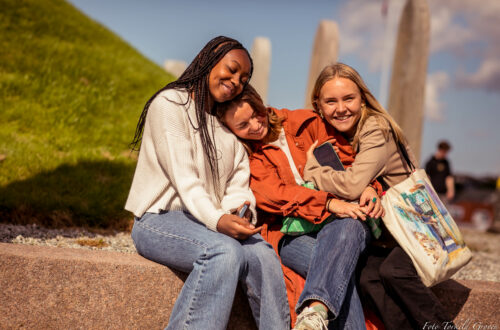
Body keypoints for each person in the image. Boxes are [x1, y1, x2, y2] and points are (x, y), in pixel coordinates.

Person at [125, 36, 290, 330]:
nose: (236, 81)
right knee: (224, 252)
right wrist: (219, 220)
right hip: (158, 220)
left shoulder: (228, 130)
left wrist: (240, 212)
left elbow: (238, 188)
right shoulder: (170, 105)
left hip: (207, 223)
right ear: (211, 58)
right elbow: (185, 180)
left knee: (262, 255)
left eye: (244, 78)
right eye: (232, 69)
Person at [216, 84, 384, 330]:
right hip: (292, 235)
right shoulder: (249, 156)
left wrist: (370, 187)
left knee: (347, 228)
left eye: (256, 114)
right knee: (338, 273)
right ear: (231, 130)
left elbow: (352, 163)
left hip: (346, 224)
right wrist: (328, 202)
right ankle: (317, 310)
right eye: (243, 126)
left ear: (260, 102)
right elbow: (275, 196)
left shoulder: (306, 122)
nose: (254, 125)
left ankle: (315, 310)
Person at [303, 63, 454, 330]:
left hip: (416, 226)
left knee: (392, 271)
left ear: (362, 98)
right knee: (366, 276)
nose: (341, 108)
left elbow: (351, 185)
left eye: (348, 98)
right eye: (331, 101)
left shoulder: (375, 128)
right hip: (389, 234)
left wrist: (314, 170)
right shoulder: (338, 134)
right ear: (318, 105)